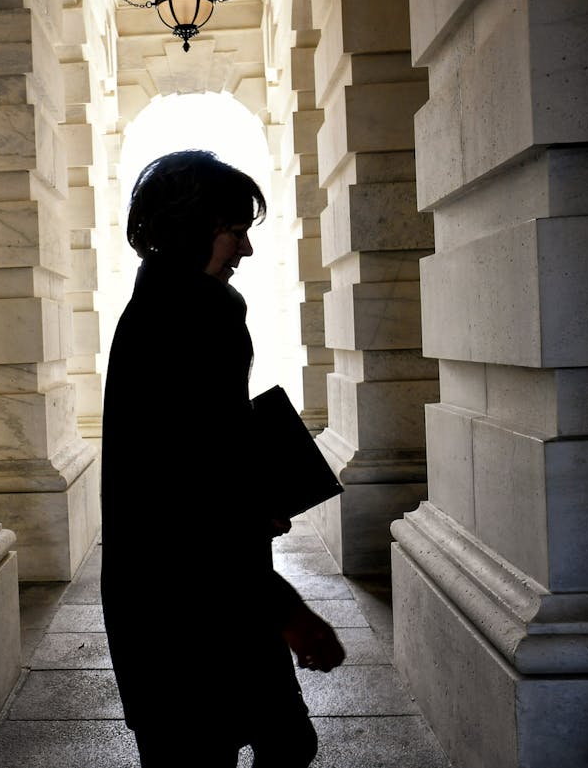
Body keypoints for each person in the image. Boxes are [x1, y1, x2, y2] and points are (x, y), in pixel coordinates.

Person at [100, 150, 345, 768]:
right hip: (194, 605)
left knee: (258, 744)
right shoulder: (198, 316)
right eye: (236, 233)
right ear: (193, 230)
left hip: (171, 598)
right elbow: (193, 493)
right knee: (266, 744)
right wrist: (290, 613)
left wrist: (250, 494)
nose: (246, 250)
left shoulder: (156, 309)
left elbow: (190, 460)